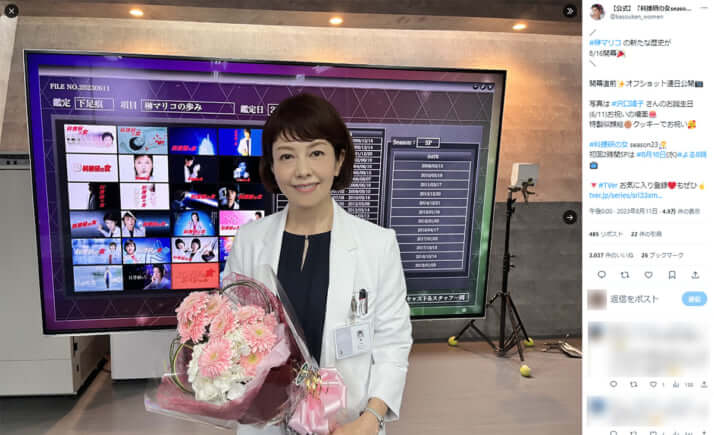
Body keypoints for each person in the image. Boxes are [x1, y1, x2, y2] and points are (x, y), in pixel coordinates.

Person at [224, 94, 412, 435]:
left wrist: (370, 420)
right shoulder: (250, 240)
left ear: (338, 161)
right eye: (286, 156)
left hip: (348, 424)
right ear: (272, 166)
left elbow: (393, 343)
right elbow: (233, 334)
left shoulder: (377, 244)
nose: (302, 170)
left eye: (316, 153)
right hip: (267, 422)